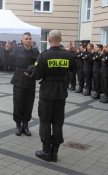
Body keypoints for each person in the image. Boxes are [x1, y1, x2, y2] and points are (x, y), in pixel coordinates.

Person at [26, 30, 75, 162]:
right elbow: (75, 68)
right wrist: (73, 53)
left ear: (48, 40)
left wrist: (32, 70)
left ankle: (46, 151)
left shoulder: (44, 55)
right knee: (58, 122)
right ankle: (55, 152)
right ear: (61, 39)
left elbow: (37, 76)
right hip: (61, 93)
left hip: (47, 93)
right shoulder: (68, 55)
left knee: (45, 121)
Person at [6, 32, 39, 136]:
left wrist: (34, 67)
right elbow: (8, 61)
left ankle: (26, 125)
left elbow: (38, 62)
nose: (28, 40)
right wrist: (6, 51)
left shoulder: (35, 51)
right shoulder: (17, 50)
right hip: (19, 79)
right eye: (26, 39)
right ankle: (18, 125)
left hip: (30, 80)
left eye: (30, 38)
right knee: (18, 103)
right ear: (22, 40)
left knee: (29, 104)